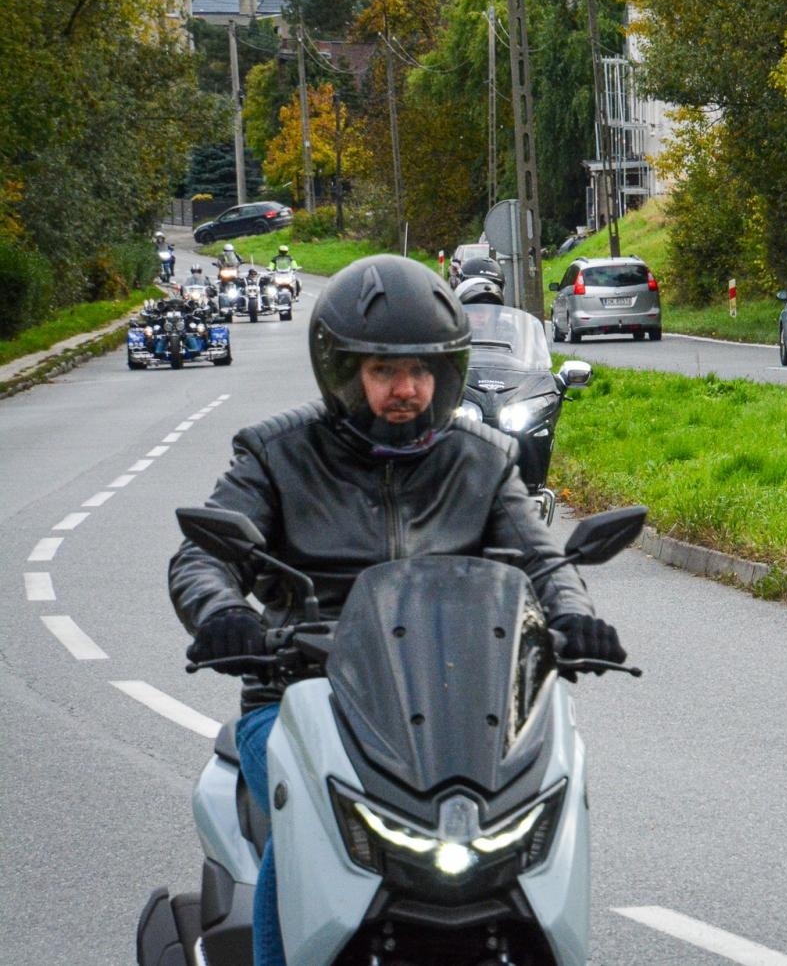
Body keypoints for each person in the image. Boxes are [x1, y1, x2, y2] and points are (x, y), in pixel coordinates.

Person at [168, 255, 625, 966]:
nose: (406, 388)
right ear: (345, 371)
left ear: (446, 374)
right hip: (298, 694)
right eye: (385, 371)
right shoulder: (275, 453)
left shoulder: (484, 460)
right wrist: (223, 613)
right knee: (307, 834)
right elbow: (202, 556)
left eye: (422, 371)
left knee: (541, 815)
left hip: (461, 704)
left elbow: (540, 560)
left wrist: (572, 614)